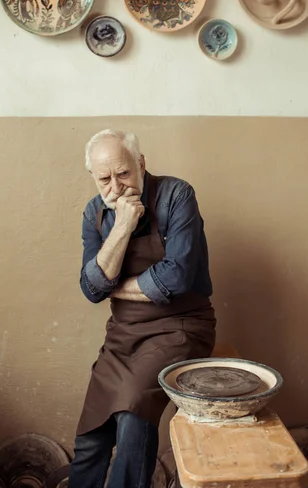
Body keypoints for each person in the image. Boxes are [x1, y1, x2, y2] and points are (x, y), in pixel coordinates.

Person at [68, 129, 216, 488]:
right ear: (94, 177)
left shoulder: (177, 195)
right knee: (92, 434)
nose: (115, 187)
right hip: (123, 335)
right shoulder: (94, 213)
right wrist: (122, 226)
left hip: (181, 327)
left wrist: (114, 286)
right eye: (104, 179)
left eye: (124, 173)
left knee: (133, 413)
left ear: (142, 164)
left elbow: (176, 279)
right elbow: (90, 289)